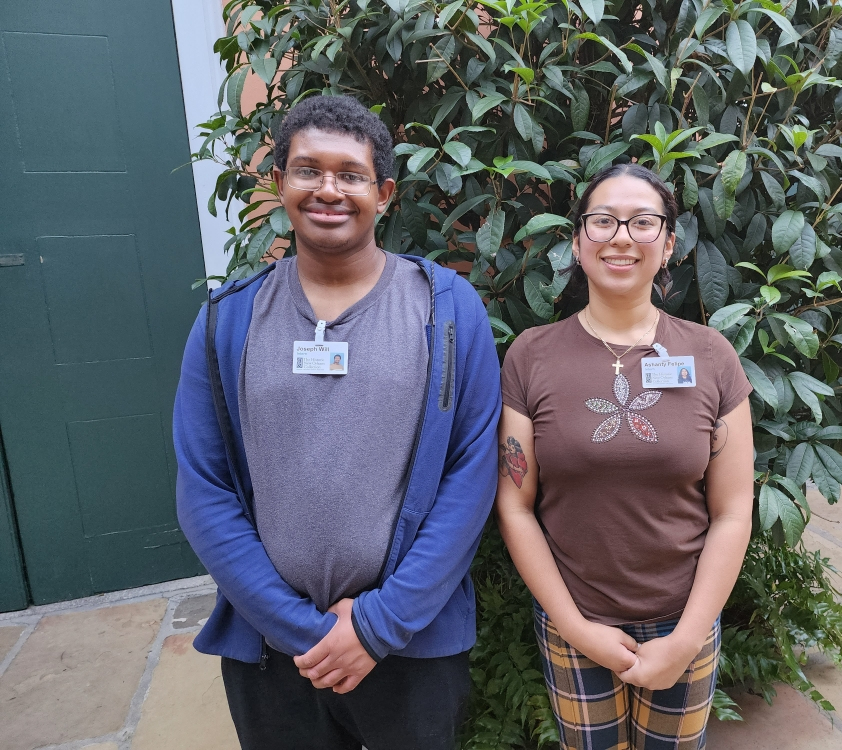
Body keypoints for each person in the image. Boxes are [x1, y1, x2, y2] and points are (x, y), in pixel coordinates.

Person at [173, 94, 501, 750]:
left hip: (410, 644)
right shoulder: (225, 321)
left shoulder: (448, 310)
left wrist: (378, 625)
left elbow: (472, 475)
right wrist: (305, 631)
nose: (328, 189)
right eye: (307, 170)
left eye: (350, 174)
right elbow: (204, 492)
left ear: (384, 193)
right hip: (272, 650)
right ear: (278, 184)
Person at [495, 163, 754, 750]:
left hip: (685, 618)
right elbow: (515, 505)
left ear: (668, 246)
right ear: (577, 241)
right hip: (575, 617)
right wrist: (575, 627)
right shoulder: (531, 356)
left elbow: (735, 509)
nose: (620, 237)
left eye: (642, 223)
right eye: (604, 220)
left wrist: (687, 640)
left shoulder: (711, 355)